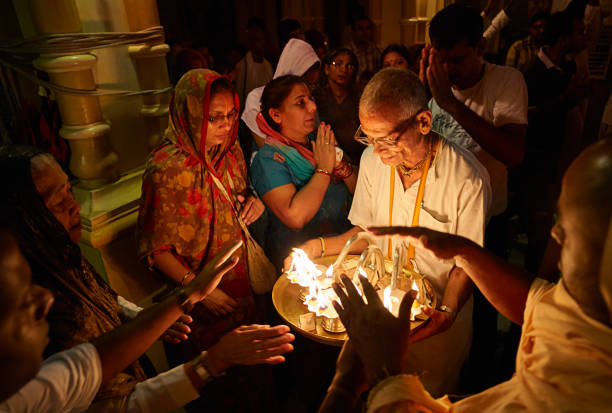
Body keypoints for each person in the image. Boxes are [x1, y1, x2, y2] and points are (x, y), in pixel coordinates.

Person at [319, 138, 612, 413]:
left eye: (571, 228)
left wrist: (349, 385)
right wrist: (465, 252)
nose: (555, 234)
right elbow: (536, 302)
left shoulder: (581, 396)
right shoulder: (590, 308)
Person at [290, 68, 491, 396]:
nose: (377, 150)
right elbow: (366, 232)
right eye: (368, 137)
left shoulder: (467, 178)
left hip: (434, 322)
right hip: (382, 314)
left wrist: (448, 312)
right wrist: (319, 248)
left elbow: (467, 264)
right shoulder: (372, 160)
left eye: (386, 139)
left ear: (423, 122)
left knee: (427, 399)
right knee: (380, 395)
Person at [0, 226, 295, 412]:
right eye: (20, 297)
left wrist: (191, 298)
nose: (45, 297)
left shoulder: (26, 393)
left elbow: (86, 367)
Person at [136, 69, 269, 410]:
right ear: (191, 114)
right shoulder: (166, 168)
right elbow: (157, 249)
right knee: (210, 381)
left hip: (238, 282)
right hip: (194, 297)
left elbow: (241, 194)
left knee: (249, 372)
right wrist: (202, 291)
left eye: (231, 115)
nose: (227, 125)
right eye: (215, 117)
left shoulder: (231, 151)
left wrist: (254, 200)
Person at [250, 75, 357, 269]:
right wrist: (324, 169)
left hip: (342, 251)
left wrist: (342, 167)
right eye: (301, 103)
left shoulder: (319, 142)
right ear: (276, 115)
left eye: (311, 99)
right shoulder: (268, 160)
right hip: (300, 262)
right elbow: (295, 217)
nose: (313, 107)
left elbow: (360, 191)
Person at [242, 38, 321, 149]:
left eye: (313, 85)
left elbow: (315, 135)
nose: (308, 90)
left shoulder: (309, 102)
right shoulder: (256, 99)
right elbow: (268, 149)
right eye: (306, 83)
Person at [313, 48, 363, 163]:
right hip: (324, 158)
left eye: (349, 66)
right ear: (326, 69)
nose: (343, 69)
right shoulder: (316, 98)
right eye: (338, 64)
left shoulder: (360, 99)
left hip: (356, 160)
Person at [234, 18, 274, 108]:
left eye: (263, 39)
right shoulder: (243, 66)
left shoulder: (268, 66)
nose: (261, 43)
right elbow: (240, 95)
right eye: (257, 40)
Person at [347, 16, 381, 86]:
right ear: (354, 31)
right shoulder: (347, 52)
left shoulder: (375, 50)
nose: (364, 32)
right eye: (360, 29)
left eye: (367, 28)